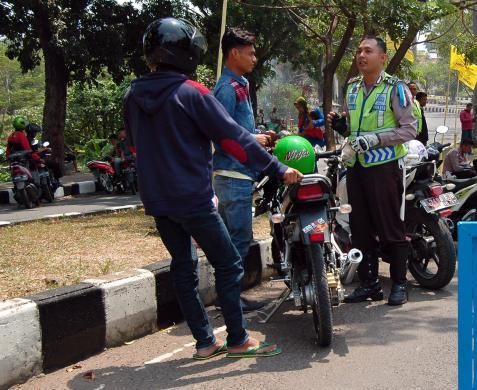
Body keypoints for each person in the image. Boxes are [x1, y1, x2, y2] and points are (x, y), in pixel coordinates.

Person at [123, 17, 303, 360]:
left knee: (183, 267)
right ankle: (237, 338)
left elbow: (133, 146)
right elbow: (233, 139)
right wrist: (278, 168)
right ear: (187, 53)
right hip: (192, 197)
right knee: (229, 263)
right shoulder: (192, 92)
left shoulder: (133, 94)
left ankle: (205, 342)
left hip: (157, 199)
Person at [327, 35, 417, 306]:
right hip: (356, 168)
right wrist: (343, 129)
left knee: (391, 227)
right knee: (360, 228)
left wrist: (376, 139)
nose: (361, 55)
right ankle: (370, 284)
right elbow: (355, 129)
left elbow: (409, 130)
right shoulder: (352, 87)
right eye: (358, 51)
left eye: (368, 51)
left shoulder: (395, 88)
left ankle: (399, 284)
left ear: (382, 58)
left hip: (385, 168)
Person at [211, 27, 275, 313]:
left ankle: (229, 297)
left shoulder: (240, 85)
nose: (254, 58)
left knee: (232, 240)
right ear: (233, 53)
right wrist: (252, 139)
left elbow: (238, 128)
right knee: (237, 240)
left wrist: (259, 134)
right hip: (232, 175)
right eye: (250, 53)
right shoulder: (226, 88)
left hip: (239, 174)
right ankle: (230, 300)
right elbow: (219, 131)